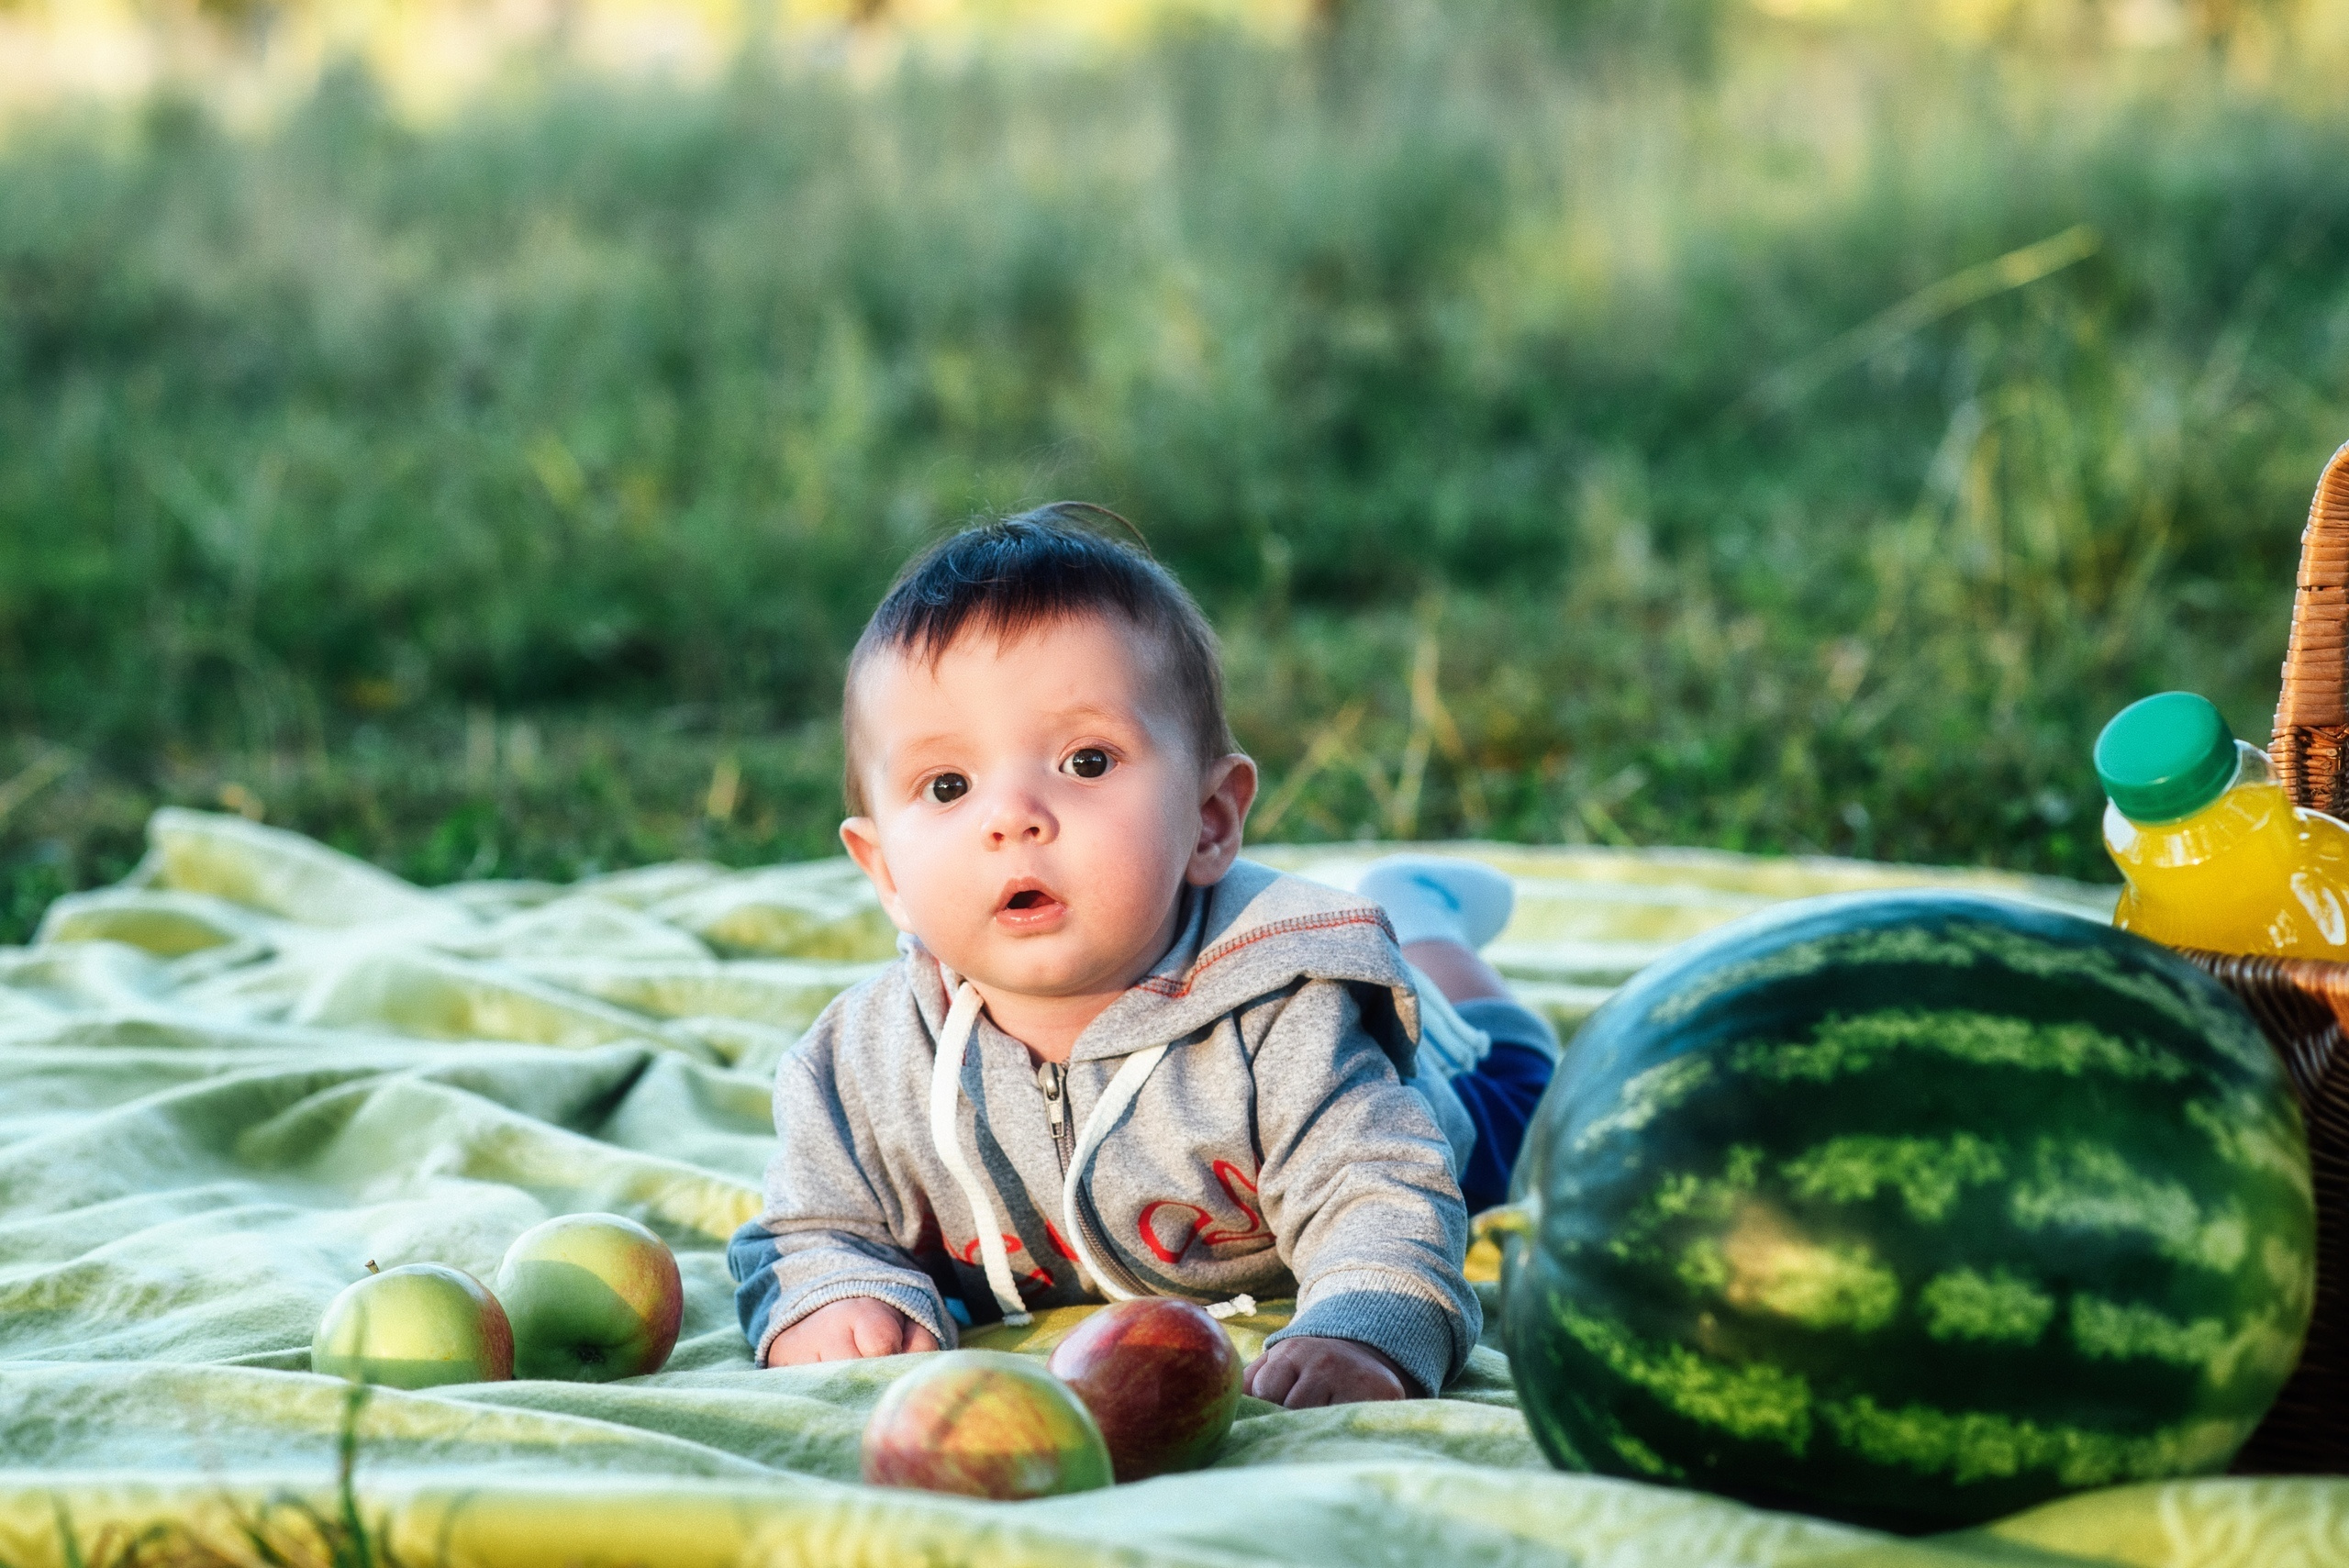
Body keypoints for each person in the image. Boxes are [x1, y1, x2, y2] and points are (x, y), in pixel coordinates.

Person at [728, 506, 1554, 1407]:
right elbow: (813, 1222)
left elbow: (1378, 1193)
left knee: (1527, 1102)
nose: (1012, 817)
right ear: (883, 867)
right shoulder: (863, 1063)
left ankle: (1425, 921)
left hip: (1446, 1119)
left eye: (1085, 761)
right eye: (949, 784)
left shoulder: (1289, 1013)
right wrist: (838, 1290)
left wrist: (1362, 1323)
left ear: (1210, 819)